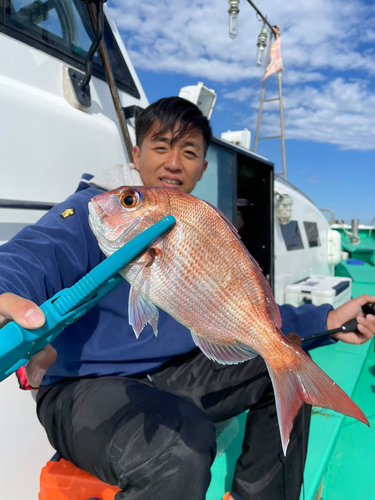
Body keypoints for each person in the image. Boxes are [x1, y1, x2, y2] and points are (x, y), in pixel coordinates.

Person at [0, 97, 374, 500]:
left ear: (203, 168)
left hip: (172, 371)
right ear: (137, 153)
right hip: (81, 386)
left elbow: (243, 309)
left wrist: (328, 319)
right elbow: (34, 254)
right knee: (180, 447)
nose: (174, 163)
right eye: (161, 146)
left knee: (285, 365)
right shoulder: (93, 209)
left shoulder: (197, 223)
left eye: (190, 151)